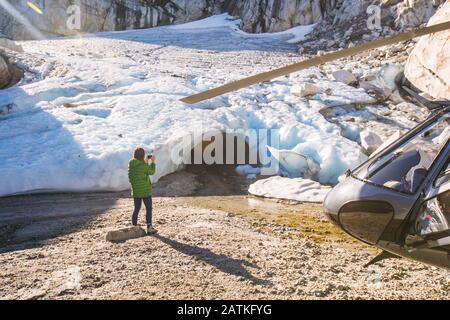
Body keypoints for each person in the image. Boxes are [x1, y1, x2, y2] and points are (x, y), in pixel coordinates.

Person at [128, 147, 157, 235]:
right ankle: (149, 228)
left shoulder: (131, 164)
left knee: (136, 208)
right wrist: (153, 162)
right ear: (143, 155)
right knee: (148, 208)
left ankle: (134, 226)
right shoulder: (144, 166)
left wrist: (145, 162)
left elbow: (140, 169)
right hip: (145, 191)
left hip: (136, 191)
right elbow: (151, 171)